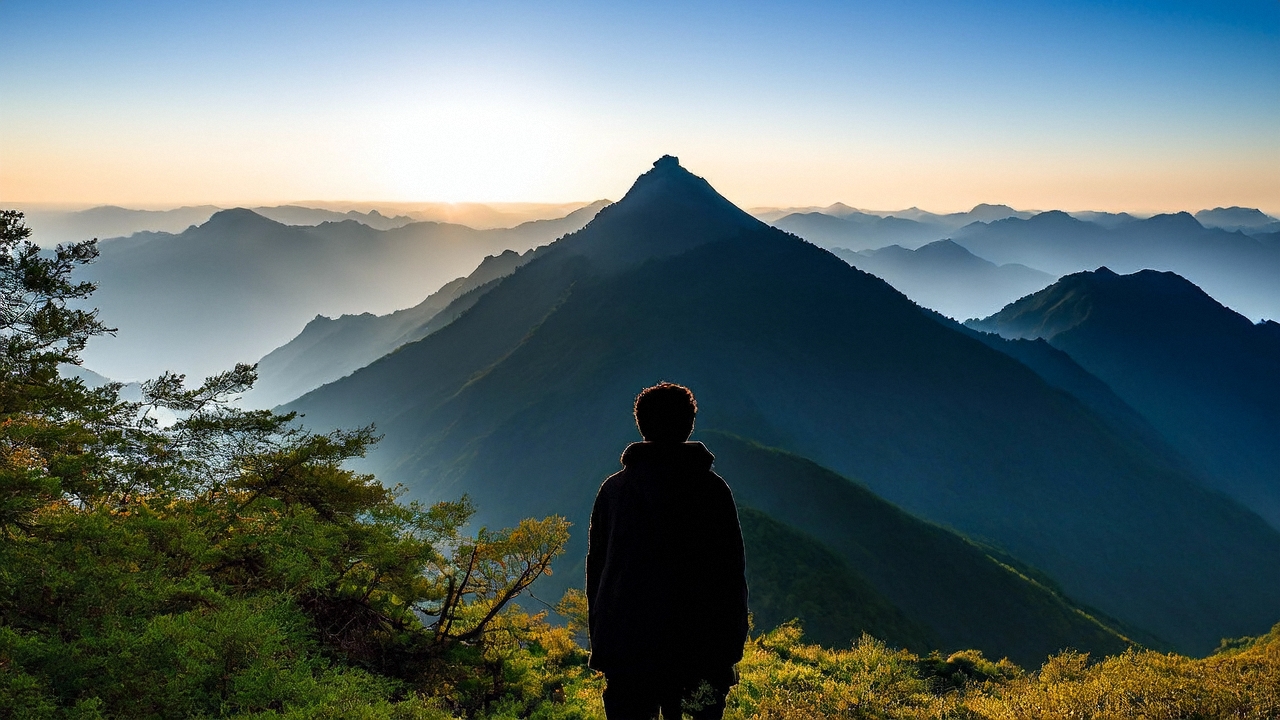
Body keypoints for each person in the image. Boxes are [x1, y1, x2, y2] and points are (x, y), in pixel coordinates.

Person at [586, 382, 749, 720]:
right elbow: (732, 575)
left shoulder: (615, 492)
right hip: (701, 654)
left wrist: (603, 644)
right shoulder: (712, 491)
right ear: (690, 423)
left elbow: (597, 574)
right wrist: (729, 650)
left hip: (628, 655)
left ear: (640, 424)